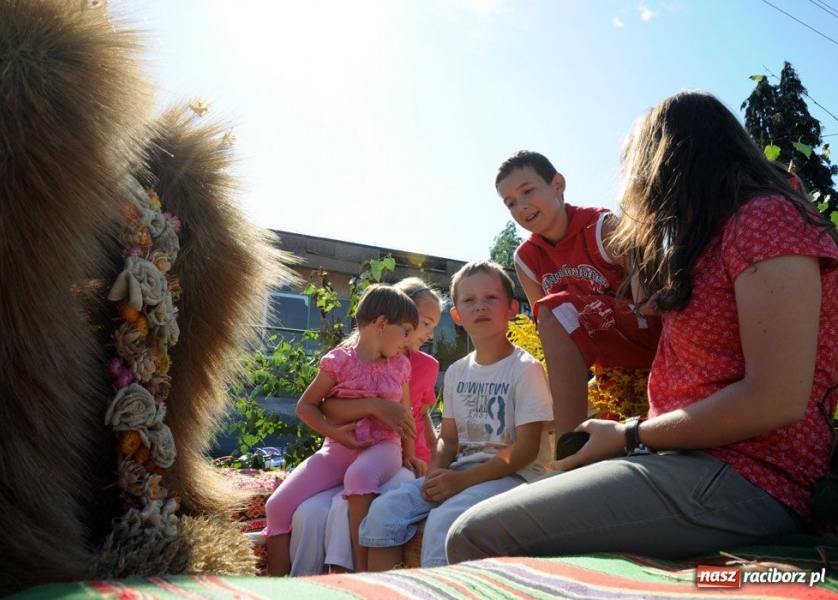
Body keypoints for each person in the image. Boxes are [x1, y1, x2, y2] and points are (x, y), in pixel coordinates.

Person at [446, 90, 838, 563]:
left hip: (745, 472)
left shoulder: (765, 219)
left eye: (639, 166)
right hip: (687, 457)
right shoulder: (715, 235)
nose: (637, 186)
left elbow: (776, 397)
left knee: (473, 533)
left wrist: (632, 435)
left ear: (672, 161)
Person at [358, 260, 555, 569]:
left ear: (512, 308)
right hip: (462, 471)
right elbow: (448, 439)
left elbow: (526, 450)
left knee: (443, 520)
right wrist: (435, 474)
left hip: (515, 477)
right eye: (469, 300)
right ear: (457, 316)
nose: (480, 307)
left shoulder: (525, 369)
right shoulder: (457, 372)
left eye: (491, 298)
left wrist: (461, 482)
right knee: (383, 511)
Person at [496, 150, 663, 435]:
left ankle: (566, 445)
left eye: (527, 191)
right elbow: (551, 331)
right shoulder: (526, 258)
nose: (521, 206)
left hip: (648, 339)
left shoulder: (602, 227)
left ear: (558, 185)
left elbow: (650, 304)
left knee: (555, 309)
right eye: (510, 203)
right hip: (604, 365)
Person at [264, 284, 425, 575]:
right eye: (406, 330)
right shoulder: (339, 361)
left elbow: (406, 414)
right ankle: (277, 587)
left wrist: (409, 454)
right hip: (336, 449)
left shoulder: (399, 366)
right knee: (277, 505)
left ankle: (361, 573)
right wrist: (334, 434)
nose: (409, 339)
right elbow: (306, 406)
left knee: (359, 475)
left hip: (382, 447)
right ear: (381, 324)